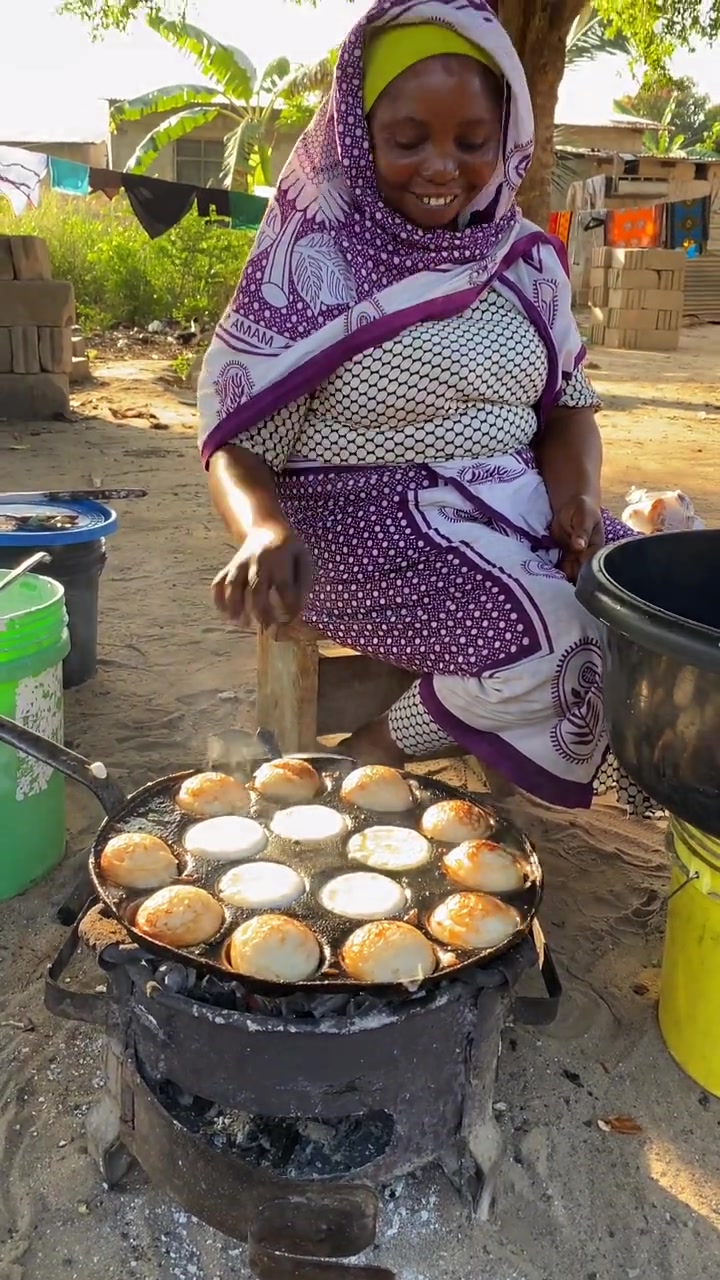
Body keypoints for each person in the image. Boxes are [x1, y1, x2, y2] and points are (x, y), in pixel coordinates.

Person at [198, 0, 644, 814]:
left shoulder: (525, 261)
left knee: (646, 606)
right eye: (409, 141)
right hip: (360, 529)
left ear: (503, 138)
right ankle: (374, 758)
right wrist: (262, 528)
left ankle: (431, 739)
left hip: (519, 505)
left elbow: (568, 409)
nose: (443, 167)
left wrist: (577, 495)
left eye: (471, 142)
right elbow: (242, 440)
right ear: (358, 137)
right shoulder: (315, 255)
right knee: (551, 633)